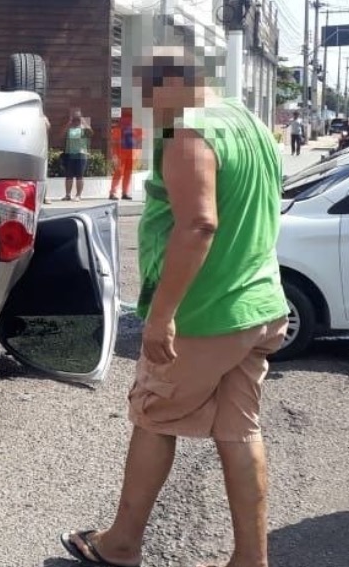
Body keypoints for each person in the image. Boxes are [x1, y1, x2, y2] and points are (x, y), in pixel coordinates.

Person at [59, 29, 289, 567]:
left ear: (169, 83)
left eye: (147, 95)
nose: (147, 110)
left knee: (153, 417)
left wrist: (161, 317)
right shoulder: (251, 124)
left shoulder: (191, 135)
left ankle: (121, 544)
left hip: (205, 314)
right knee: (239, 430)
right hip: (257, 305)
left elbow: (199, 225)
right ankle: (250, 559)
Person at [109, 107, 142, 200]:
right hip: (121, 153)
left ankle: (124, 192)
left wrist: (137, 153)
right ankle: (113, 192)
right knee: (120, 172)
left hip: (130, 153)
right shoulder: (120, 125)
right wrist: (114, 154)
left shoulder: (135, 125)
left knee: (127, 173)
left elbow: (139, 140)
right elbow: (115, 141)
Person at [61, 109, 92, 201]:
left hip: (81, 154)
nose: (76, 120)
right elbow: (62, 135)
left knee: (79, 176)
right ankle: (67, 195)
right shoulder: (69, 127)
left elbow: (90, 133)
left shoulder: (83, 127)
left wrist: (83, 122)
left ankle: (78, 195)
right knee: (69, 176)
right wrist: (68, 124)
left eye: (78, 118)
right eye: (74, 118)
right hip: (69, 154)